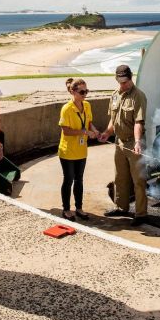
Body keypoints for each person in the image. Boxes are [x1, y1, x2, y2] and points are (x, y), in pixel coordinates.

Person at [98, 65, 149, 226]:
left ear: (131, 78)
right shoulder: (114, 96)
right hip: (119, 142)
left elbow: (138, 122)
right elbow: (113, 120)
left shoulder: (138, 96)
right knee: (120, 177)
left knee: (138, 181)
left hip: (133, 142)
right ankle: (121, 207)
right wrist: (107, 132)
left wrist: (138, 142)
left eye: (125, 82)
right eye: (120, 82)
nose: (123, 85)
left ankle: (141, 214)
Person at [58, 78, 101, 221]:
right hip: (68, 151)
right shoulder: (67, 109)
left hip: (81, 150)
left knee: (79, 180)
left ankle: (79, 208)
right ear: (73, 92)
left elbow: (89, 123)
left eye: (86, 91)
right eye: (82, 91)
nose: (85, 94)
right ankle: (66, 209)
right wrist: (83, 132)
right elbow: (66, 131)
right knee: (68, 179)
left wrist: (94, 131)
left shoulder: (87, 105)